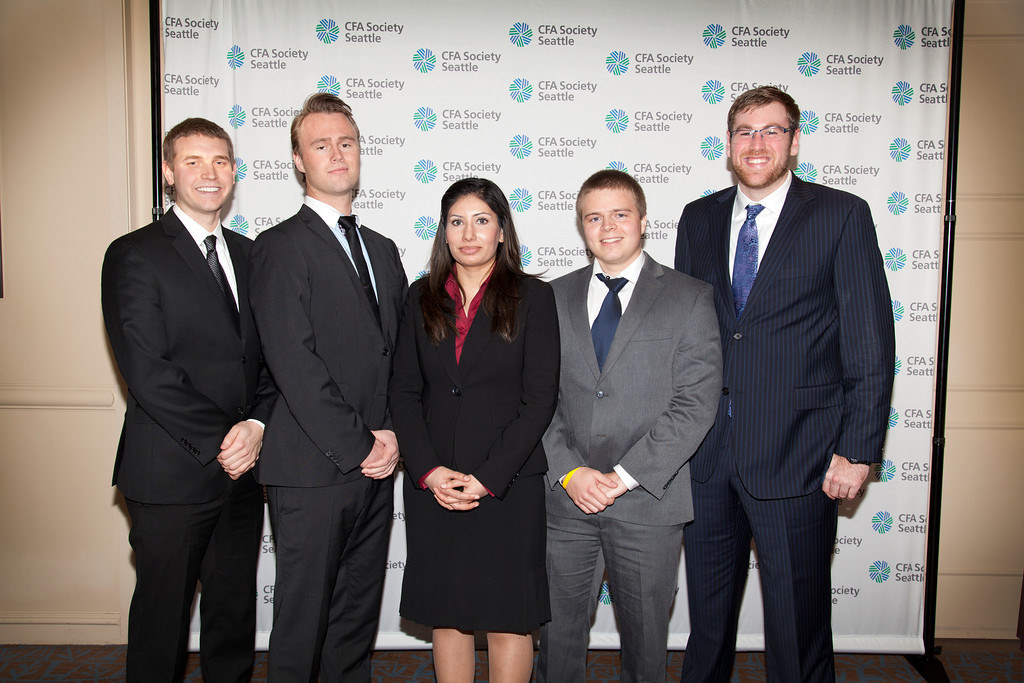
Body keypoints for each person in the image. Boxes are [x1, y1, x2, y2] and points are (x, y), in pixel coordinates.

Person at [674, 86, 896, 682]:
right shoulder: (698, 219)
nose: (757, 142)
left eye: (773, 130)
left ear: (795, 142)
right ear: (728, 144)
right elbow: (686, 339)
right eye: (745, 130)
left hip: (801, 457)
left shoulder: (841, 214)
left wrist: (857, 451)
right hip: (708, 458)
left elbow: (870, 344)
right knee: (707, 630)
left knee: (797, 633)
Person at [101, 117, 275, 681]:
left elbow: (274, 361)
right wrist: (225, 437)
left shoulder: (253, 258)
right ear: (168, 172)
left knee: (232, 619)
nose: (209, 173)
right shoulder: (133, 254)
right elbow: (148, 372)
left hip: (243, 471)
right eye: (193, 161)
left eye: (221, 161)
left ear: (234, 172)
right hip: (171, 473)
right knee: (162, 623)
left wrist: (256, 426)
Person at [537, 169, 722, 683]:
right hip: (566, 502)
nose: (608, 227)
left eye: (620, 214)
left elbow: (695, 403)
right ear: (582, 226)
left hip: (647, 502)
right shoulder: (550, 299)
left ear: (643, 221)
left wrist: (623, 476)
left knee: (645, 647)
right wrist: (571, 472)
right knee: (556, 639)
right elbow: (535, 401)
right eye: (594, 217)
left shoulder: (689, 297)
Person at [247, 92, 408, 682]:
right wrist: (363, 444)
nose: (337, 154)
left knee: (354, 622)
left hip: (375, 464)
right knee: (302, 623)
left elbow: (395, 357)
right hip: (313, 469)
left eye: (347, 142)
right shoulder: (279, 248)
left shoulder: (384, 251)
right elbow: (295, 365)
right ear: (298, 160)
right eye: (321, 145)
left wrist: (389, 434)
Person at [389, 177, 560, 682]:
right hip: (434, 484)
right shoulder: (418, 297)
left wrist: (488, 476)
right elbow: (402, 392)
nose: (469, 233)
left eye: (482, 221)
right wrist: (427, 470)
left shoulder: (534, 296)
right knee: (449, 616)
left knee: (511, 619)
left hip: (507, 485)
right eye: (457, 221)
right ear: (443, 233)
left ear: (502, 231)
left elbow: (540, 400)